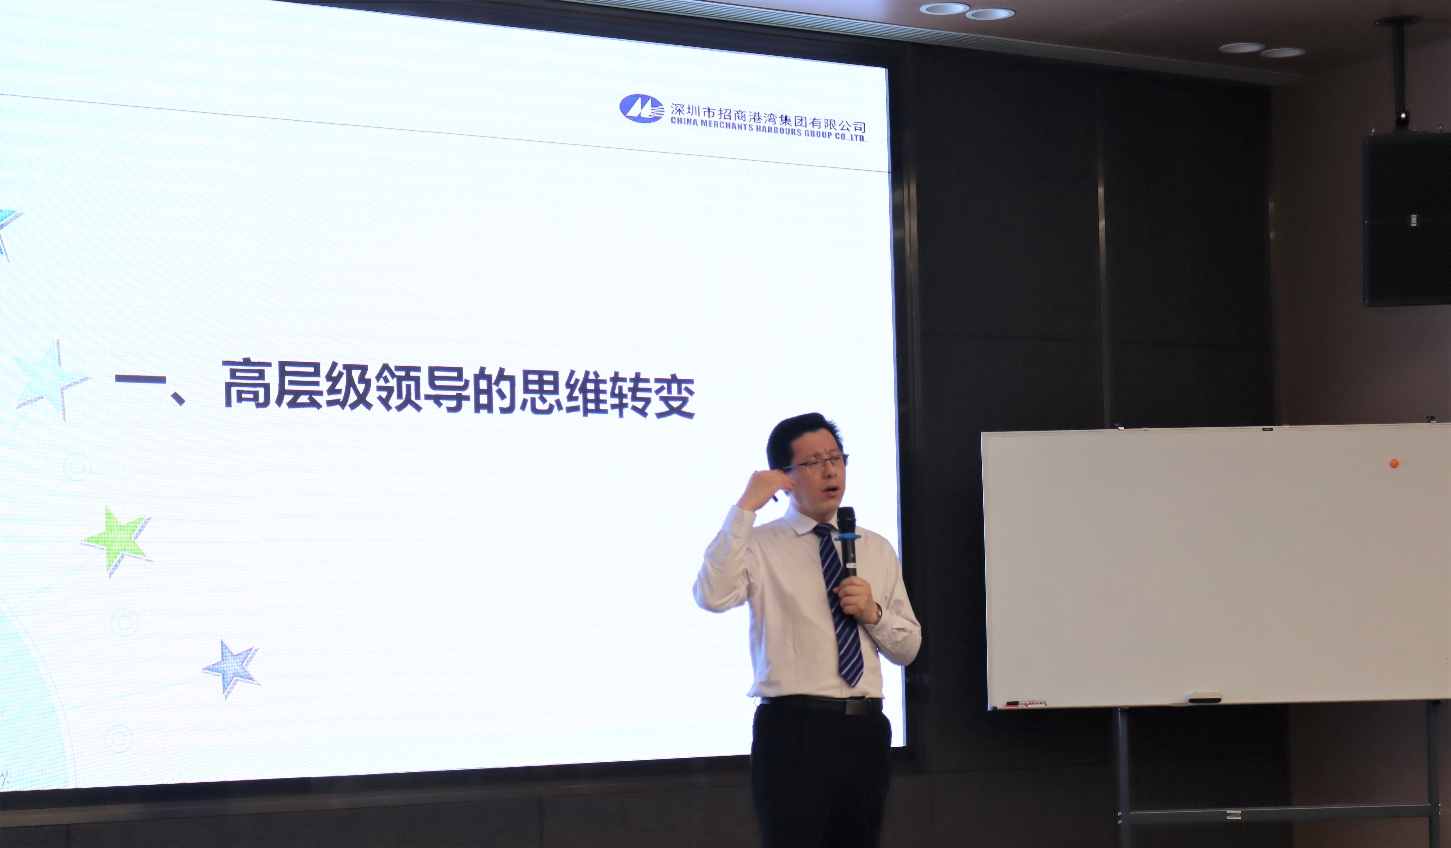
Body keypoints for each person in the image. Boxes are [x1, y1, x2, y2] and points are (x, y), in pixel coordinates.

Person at [694, 412, 921, 848]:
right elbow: (712, 595)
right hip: (794, 731)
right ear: (784, 478)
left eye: (836, 458)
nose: (830, 471)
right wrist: (745, 508)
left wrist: (873, 613)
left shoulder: (875, 546)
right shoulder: (759, 544)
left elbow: (908, 648)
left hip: (866, 731)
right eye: (814, 462)